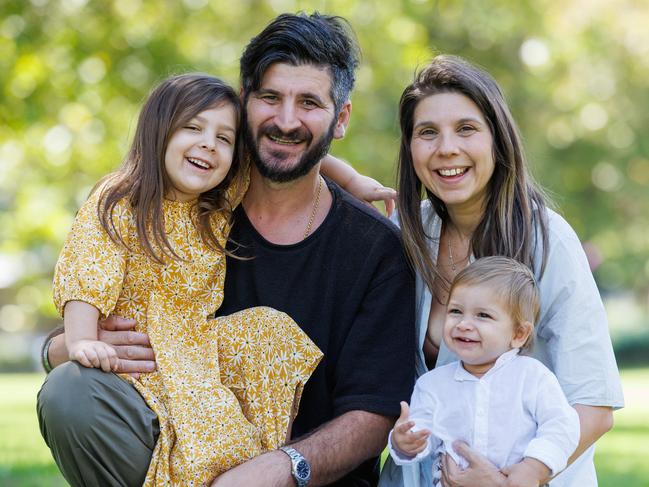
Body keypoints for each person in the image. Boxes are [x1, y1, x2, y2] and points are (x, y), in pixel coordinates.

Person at [38, 12, 416, 487]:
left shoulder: (375, 248)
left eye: (309, 103)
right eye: (270, 97)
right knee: (69, 393)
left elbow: (375, 413)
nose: (285, 120)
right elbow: (91, 292)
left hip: (299, 477)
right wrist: (65, 348)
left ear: (340, 118)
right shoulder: (195, 200)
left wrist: (278, 470)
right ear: (244, 102)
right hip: (166, 433)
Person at [47, 72, 325, 486]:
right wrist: (83, 340)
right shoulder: (121, 201)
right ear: (157, 132)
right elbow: (88, 274)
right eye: (192, 127)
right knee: (171, 435)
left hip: (196, 350)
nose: (208, 144)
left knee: (270, 331)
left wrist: (351, 180)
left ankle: (264, 463)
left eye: (224, 138)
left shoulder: (215, 207)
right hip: (138, 361)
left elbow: (281, 156)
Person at [379, 55, 623, 487]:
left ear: (498, 140)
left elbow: (593, 406)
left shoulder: (549, 241)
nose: (446, 148)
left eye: (466, 129)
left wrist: (515, 480)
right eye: (427, 132)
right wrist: (346, 176)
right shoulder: (405, 235)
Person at [388, 257, 580, 487]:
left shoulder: (533, 378)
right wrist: (405, 442)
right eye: (456, 311)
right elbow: (422, 432)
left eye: (483, 315)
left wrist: (533, 468)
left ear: (519, 334)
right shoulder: (432, 385)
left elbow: (561, 425)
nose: (464, 324)